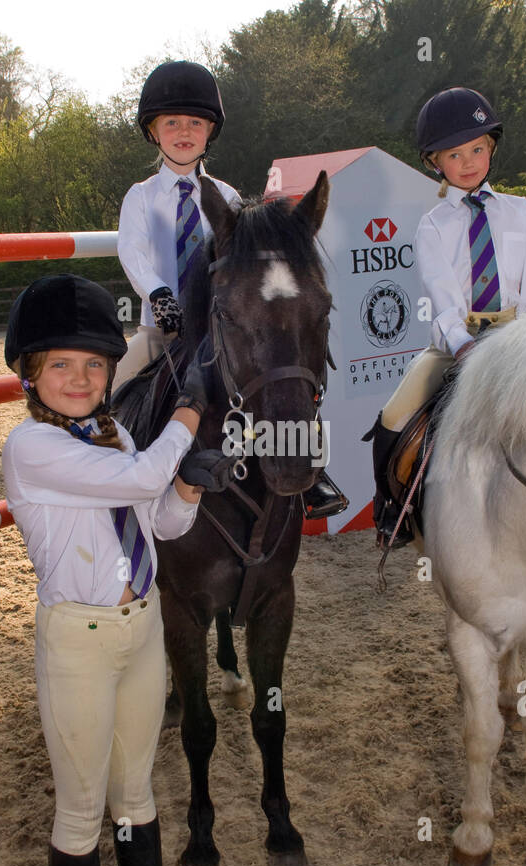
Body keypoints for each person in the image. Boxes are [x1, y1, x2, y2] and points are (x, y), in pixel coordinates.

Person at [1, 274, 232, 866]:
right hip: (79, 639)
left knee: (137, 796)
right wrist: (188, 413)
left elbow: (158, 521)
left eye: (95, 365)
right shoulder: (30, 446)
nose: (80, 379)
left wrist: (187, 487)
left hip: (143, 626)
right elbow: (135, 482)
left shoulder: (116, 433)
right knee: (80, 813)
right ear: (30, 374)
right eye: (60, 365)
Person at [115, 59, 347, 520]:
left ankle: (308, 474)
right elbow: (132, 252)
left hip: (225, 330)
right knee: (117, 394)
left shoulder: (229, 195)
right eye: (172, 123)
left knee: (283, 379)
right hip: (161, 333)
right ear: (153, 132)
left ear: (209, 131)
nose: (184, 132)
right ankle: (115, 484)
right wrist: (159, 294)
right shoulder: (140, 197)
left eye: (195, 124)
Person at [366, 86, 526, 547]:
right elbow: (443, 299)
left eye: (477, 149)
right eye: (455, 154)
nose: (469, 162)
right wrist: (465, 345)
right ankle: (392, 508)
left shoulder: (521, 213)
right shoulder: (432, 225)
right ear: (436, 162)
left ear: (490, 149)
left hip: (520, 340)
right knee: (393, 418)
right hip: (456, 346)